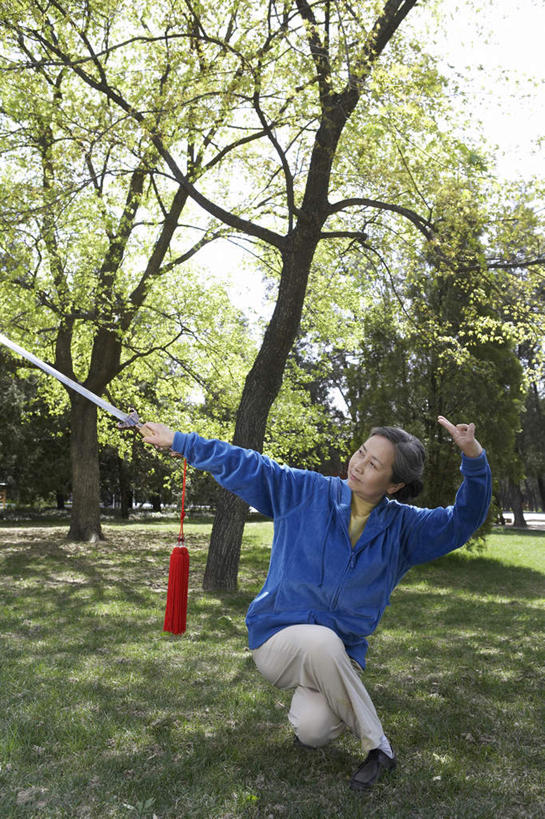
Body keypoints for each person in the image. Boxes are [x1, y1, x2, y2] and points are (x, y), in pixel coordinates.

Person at [139, 416, 491, 791]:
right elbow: (250, 464)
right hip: (279, 639)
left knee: (314, 730)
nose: (358, 464)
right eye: (361, 452)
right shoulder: (305, 491)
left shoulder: (405, 530)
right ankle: (379, 748)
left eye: (374, 464)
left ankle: (321, 702)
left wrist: (473, 457)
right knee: (321, 642)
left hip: (342, 652)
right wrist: (184, 442)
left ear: (395, 484)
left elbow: (462, 522)